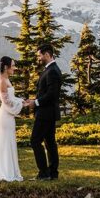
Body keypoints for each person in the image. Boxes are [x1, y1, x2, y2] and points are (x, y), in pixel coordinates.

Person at [25, 44, 62, 180]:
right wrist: (34, 100)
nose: (38, 58)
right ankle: (53, 173)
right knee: (50, 142)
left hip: (46, 113)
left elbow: (52, 94)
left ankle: (44, 173)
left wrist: (36, 103)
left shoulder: (52, 71)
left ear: (47, 54)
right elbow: (45, 92)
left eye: (40, 55)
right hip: (48, 113)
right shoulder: (50, 69)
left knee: (35, 141)